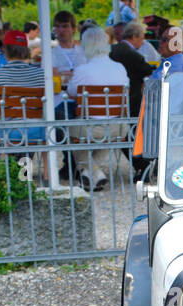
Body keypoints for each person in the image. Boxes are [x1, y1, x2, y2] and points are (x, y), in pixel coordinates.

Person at [67, 26, 129, 191]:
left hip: (89, 128)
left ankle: (92, 172)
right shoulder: (120, 68)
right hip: (118, 128)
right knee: (104, 134)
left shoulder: (82, 70)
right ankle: (92, 174)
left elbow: (71, 93)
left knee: (68, 130)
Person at [110, 21, 154, 118]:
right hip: (131, 103)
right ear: (134, 37)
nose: (142, 43)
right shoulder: (135, 56)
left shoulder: (110, 50)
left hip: (110, 101)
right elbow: (149, 72)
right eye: (142, 38)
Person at [49, 9, 86, 117]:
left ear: (73, 29)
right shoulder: (51, 53)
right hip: (60, 102)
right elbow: (53, 78)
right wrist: (76, 74)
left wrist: (65, 74)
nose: (61, 30)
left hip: (83, 101)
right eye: (57, 26)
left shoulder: (83, 51)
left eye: (65, 26)